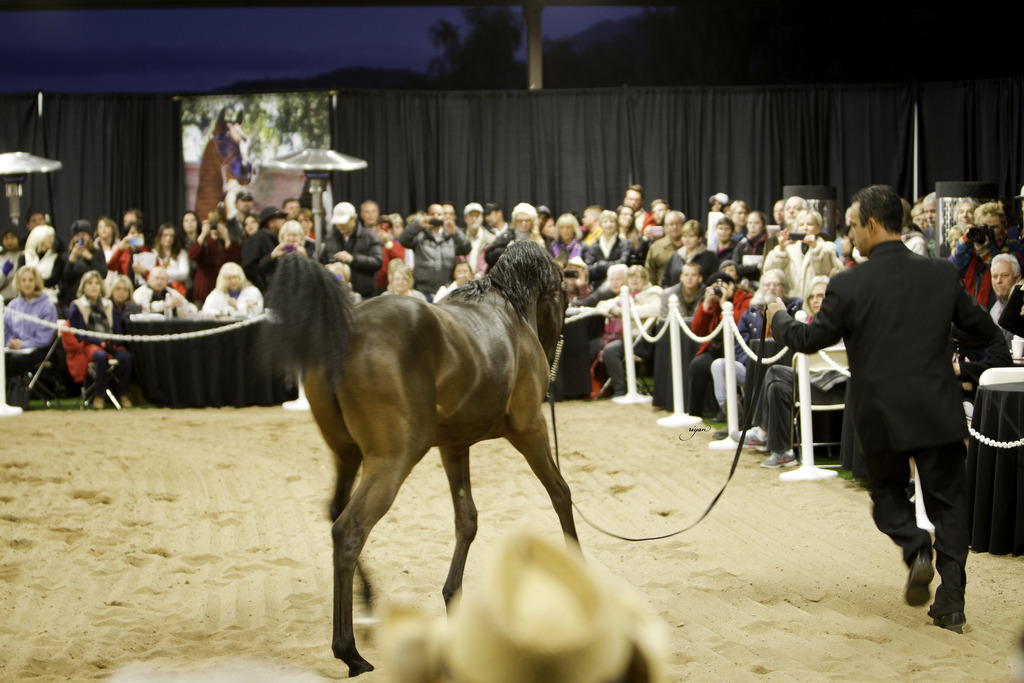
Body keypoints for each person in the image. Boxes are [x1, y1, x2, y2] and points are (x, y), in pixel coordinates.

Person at [766, 184, 1012, 634]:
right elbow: (987, 333)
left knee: (887, 495)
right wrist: (949, 339)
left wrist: (778, 315)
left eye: (854, 226)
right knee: (949, 504)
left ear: (874, 224)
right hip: (937, 406)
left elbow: (808, 339)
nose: (851, 235)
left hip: (880, 415)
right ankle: (952, 602)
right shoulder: (940, 273)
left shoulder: (848, 283)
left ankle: (916, 549)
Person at [733, 276, 837, 465]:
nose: (816, 300)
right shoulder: (810, 322)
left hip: (832, 387)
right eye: (812, 296)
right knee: (777, 385)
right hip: (812, 383)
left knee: (775, 372)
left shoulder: (832, 325)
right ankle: (782, 452)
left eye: (821, 296)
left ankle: (761, 432)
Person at [65, 270, 133, 410]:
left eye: (97, 283)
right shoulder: (77, 306)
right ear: (84, 287)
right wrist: (100, 344)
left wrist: (113, 344)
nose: (94, 286)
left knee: (126, 357)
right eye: (90, 283)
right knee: (101, 357)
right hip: (89, 344)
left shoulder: (109, 305)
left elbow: (117, 331)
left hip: (110, 342)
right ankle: (99, 395)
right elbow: (79, 334)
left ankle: (123, 393)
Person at [689, 270, 753, 418]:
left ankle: (728, 413)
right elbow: (697, 330)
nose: (718, 290)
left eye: (722, 285)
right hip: (715, 349)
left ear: (731, 285)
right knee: (697, 366)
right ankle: (694, 412)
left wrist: (725, 303)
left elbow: (741, 324)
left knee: (720, 367)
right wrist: (706, 304)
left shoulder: (745, 299)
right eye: (715, 287)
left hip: (738, 351)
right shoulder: (712, 303)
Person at [596, 265, 662, 397]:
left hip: (641, 340)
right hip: (622, 338)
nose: (634, 280)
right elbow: (601, 305)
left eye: (638, 277)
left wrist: (627, 311)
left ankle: (620, 389)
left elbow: (656, 308)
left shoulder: (652, 292)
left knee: (610, 351)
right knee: (592, 346)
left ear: (645, 279)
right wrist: (614, 309)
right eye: (631, 277)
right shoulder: (625, 295)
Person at [762, 208, 843, 298]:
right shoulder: (788, 249)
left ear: (818, 229)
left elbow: (825, 272)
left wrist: (815, 248)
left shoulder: (827, 247)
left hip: (816, 299)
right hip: (791, 300)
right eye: (801, 225)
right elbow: (771, 274)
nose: (805, 228)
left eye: (810, 224)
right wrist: (781, 250)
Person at [399, 203, 471, 299]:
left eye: (439, 214)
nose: (435, 216)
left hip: (446, 289)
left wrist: (455, 232)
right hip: (423, 290)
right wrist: (418, 225)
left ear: (444, 217)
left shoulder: (451, 237)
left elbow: (466, 249)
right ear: (427, 216)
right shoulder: (420, 236)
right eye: (432, 214)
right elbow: (403, 240)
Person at [3, 265, 58, 389]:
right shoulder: (13, 305)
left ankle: (17, 392)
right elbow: (5, 329)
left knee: (16, 360)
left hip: (39, 348)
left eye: (30, 280)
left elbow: (45, 338)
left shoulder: (47, 305)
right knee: (4, 359)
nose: (27, 284)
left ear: (36, 282)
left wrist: (23, 344)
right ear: (18, 283)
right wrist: (10, 342)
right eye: (23, 280)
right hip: (14, 348)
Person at [320, 201, 383, 300]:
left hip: (364, 294)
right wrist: (327, 268)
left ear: (353, 219)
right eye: (338, 223)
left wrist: (353, 259)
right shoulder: (331, 239)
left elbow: (377, 261)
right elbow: (321, 262)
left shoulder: (370, 237)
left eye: (343, 223)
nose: (340, 226)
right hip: (337, 294)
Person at [188, 211, 241, 304]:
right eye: (212, 222)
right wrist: (203, 234)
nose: (215, 226)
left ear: (224, 224)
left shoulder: (232, 244)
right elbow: (192, 255)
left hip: (225, 291)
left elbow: (235, 264)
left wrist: (227, 240)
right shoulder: (204, 242)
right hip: (203, 291)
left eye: (218, 222)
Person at [59, 220, 109, 313]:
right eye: (77, 235)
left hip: (93, 301)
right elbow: (64, 279)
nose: (80, 237)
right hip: (71, 300)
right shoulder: (66, 255)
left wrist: (89, 257)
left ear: (89, 236)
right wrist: (72, 259)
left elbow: (103, 274)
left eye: (83, 234)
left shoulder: (97, 253)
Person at [659, 219, 716, 288]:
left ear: (700, 238)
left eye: (691, 236)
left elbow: (713, 281)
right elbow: (666, 280)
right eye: (684, 236)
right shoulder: (676, 256)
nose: (687, 240)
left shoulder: (709, 256)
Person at [582, 209, 631, 289]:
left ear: (616, 224)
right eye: (605, 222)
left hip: (619, 285)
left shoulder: (624, 243)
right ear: (601, 225)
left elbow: (623, 263)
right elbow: (589, 269)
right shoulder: (594, 245)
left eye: (612, 221)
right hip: (598, 285)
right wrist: (613, 264)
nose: (609, 224)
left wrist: (599, 266)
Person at [18, 225, 64, 307]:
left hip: (49, 298)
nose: (52, 239)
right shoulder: (24, 256)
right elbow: (19, 277)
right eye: (49, 237)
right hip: (26, 300)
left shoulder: (55, 257)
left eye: (53, 237)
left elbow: (53, 280)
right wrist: (41, 278)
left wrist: (32, 278)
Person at [133, 266, 197, 317]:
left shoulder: (171, 292)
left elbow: (193, 309)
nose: (159, 281)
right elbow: (142, 307)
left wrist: (182, 305)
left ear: (167, 281)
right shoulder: (140, 292)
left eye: (162, 279)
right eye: (156, 278)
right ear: (148, 278)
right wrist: (165, 305)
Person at [645, 210, 685, 288]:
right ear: (665, 227)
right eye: (671, 224)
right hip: (662, 290)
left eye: (678, 224)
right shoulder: (656, 247)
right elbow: (649, 272)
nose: (675, 227)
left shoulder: (690, 245)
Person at [988, 254, 1021, 345]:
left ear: (1017, 278)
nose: (999, 281)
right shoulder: (994, 310)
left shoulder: (1022, 309)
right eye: (995, 276)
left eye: (1005, 275)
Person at [150, 223, 190, 296]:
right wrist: (174, 273)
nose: (168, 238)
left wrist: (162, 273)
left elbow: (184, 274)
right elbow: (151, 274)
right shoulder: (153, 253)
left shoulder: (181, 253)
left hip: (176, 290)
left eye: (171, 236)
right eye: (165, 235)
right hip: (157, 290)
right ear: (160, 236)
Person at [1, 229, 23, 302]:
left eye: (12, 237)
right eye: (6, 238)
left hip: (21, 299)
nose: (9, 241)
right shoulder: (1, 257)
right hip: (4, 299)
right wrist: (3, 273)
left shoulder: (25, 255)